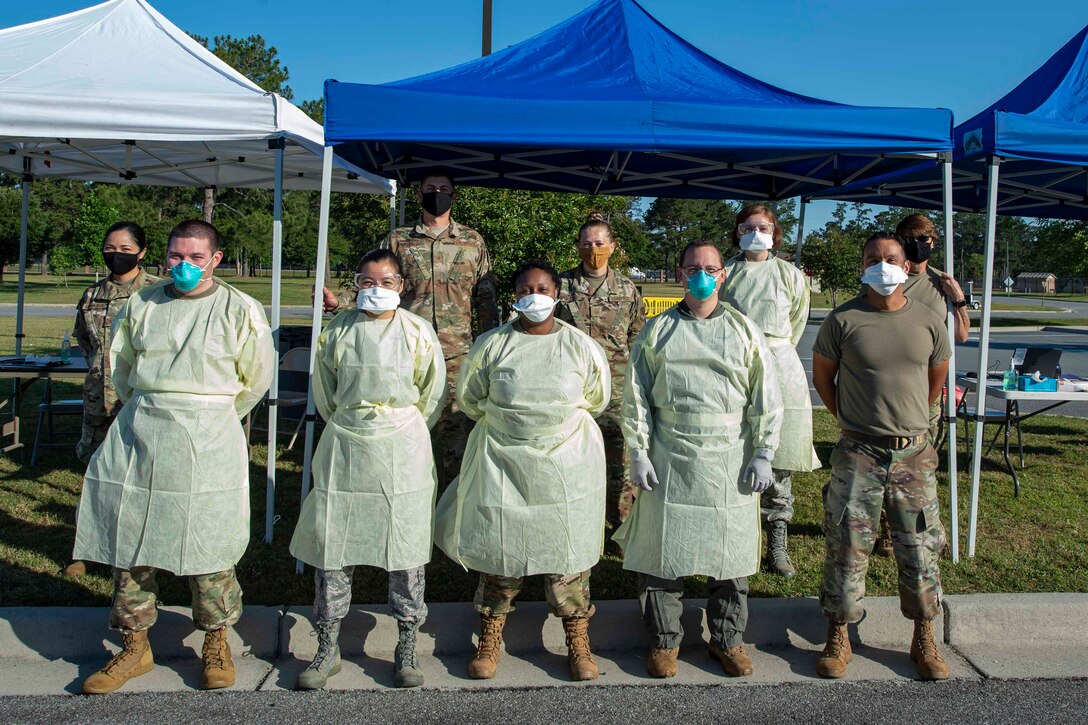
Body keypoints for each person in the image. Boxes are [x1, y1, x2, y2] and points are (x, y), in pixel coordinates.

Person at [73, 220, 274, 694]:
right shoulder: (142, 303)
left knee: (208, 539)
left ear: (216, 259)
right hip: (142, 431)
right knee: (132, 538)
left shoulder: (239, 308)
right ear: (164, 256)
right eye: (176, 256)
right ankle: (134, 644)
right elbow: (121, 368)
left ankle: (216, 639)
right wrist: (151, 406)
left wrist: (208, 412)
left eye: (195, 258)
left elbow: (255, 379)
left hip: (208, 437)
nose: (184, 266)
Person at [434, 261, 610, 682]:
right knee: (501, 548)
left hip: (566, 463)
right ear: (515, 295)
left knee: (566, 551)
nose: (535, 296)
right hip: (503, 461)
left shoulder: (580, 346)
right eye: (526, 288)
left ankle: (577, 640)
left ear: (556, 294)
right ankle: (490, 637)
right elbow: (472, 397)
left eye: (543, 288)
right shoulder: (492, 345)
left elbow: (596, 397)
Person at [614, 240, 783, 679]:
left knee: (731, 553)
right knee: (661, 550)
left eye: (709, 268)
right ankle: (665, 640)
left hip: (730, 455)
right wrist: (638, 451)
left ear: (723, 275)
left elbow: (766, 397)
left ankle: (727, 639)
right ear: (679, 274)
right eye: (692, 268)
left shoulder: (745, 331)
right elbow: (635, 397)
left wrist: (764, 452)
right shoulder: (657, 331)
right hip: (670, 452)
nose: (701, 275)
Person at [290, 248, 446, 690]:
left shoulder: (418, 331)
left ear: (401, 286)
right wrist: (353, 420)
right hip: (347, 443)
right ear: (355, 283)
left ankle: (407, 644)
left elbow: (431, 393)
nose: (376, 290)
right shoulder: (336, 332)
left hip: (403, 445)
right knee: (333, 543)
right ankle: (327, 646)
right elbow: (325, 391)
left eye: (386, 282)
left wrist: (400, 423)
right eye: (367, 281)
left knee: (405, 543)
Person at [811, 232, 951, 681]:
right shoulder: (843, 319)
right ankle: (839, 635)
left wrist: (909, 426)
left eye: (891, 258)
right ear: (862, 266)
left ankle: (924, 637)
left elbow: (935, 382)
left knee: (919, 548)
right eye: (873, 258)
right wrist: (856, 422)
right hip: (859, 453)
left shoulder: (929, 320)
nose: (883, 266)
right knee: (847, 547)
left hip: (912, 455)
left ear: (907, 265)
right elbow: (824, 381)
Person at [323, 168, 499, 490]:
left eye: (443, 188)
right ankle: (405, 500)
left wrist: (493, 345)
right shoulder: (398, 239)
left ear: (454, 196)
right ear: (419, 195)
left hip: (456, 355)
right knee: (407, 436)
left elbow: (485, 297)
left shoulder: (473, 242)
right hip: (405, 355)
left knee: (456, 440)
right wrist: (340, 302)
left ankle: (447, 514)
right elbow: (376, 283)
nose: (437, 193)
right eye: (430, 188)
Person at [720, 204, 819, 579]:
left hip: (778, 364)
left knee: (776, 455)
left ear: (775, 232)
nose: (756, 232)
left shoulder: (790, 275)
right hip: (735, 366)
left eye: (764, 226)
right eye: (748, 226)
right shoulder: (725, 273)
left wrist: (771, 351)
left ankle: (777, 538)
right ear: (738, 231)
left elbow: (796, 321)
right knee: (735, 450)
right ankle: (739, 536)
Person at [871, 213, 969, 557]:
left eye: (922, 237)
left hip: (927, 389)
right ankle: (886, 530)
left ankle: (926, 530)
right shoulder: (887, 277)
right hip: (887, 389)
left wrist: (957, 300)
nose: (916, 243)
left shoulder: (942, 282)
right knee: (886, 462)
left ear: (933, 241)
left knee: (922, 463)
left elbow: (960, 334)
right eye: (908, 237)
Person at [64, 222, 159, 578]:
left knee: (139, 476)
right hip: (97, 403)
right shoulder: (91, 294)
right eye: (109, 247)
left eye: (124, 248)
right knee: (93, 473)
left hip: (136, 401)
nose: (115, 254)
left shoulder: (155, 293)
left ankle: (137, 552)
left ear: (141, 252)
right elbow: (85, 341)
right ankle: (84, 549)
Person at [556, 212, 646, 536]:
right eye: (586, 243)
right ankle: (580, 523)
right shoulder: (562, 286)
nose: (593, 248)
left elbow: (638, 335)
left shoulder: (627, 288)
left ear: (612, 246)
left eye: (599, 242)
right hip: (574, 391)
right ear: (578, 246)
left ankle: (621, 527)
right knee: (575, 459)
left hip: (617, 390)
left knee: (619, 462)